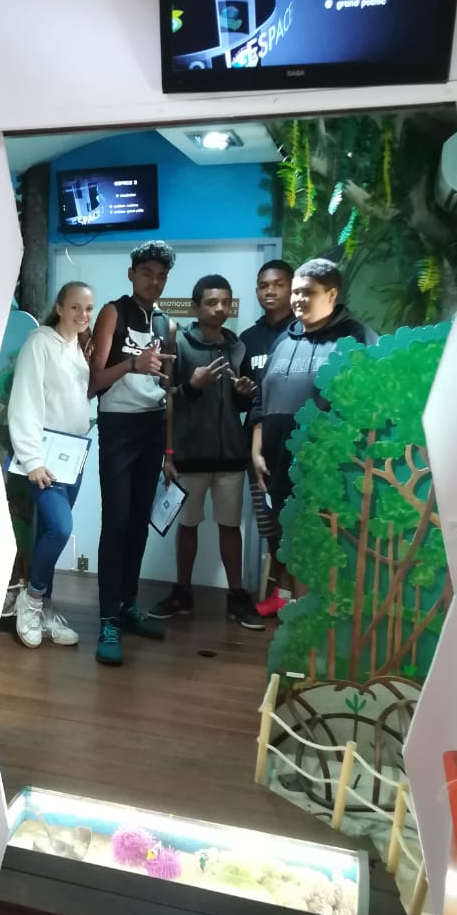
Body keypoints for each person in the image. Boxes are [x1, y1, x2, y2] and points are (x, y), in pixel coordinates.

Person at [148, 276, 264, 630]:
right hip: (189, 455)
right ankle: (182, 592)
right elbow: (163, 399)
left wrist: (244, 393)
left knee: (230, 527)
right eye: (212, 302)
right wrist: (192, 386)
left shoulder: (237, 347)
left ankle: (236, 596)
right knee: (188, 526)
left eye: (225, 302)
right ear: (196, 306)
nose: (219, 309)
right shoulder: (179, 344)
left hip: (231, 457)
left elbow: (241, 404)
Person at [88, 241, 177, 667]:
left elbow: (168, 391)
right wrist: (132, 365)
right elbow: (94, 382)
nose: (153, 282)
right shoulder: (113, 312)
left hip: (152, 428)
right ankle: (107, 620)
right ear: (131, 274)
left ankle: (127, 605)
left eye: (161, 276)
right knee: (117, 523)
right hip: (118, 428)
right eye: (147, 273)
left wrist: (170, 449)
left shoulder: (166, 323)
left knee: (139, 522)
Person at [251, 253, 377, 525]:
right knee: (280, 540)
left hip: (331, 474)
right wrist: (256, 451)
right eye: (296, 292)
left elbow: (372, 403)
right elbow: (261, 400)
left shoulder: (356, 338)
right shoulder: (283, 341)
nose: (298, 299)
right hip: (276, 469)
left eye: (308, 292)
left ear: (331, 295)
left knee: (324, 543)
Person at [8, 281, 95, 649]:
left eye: (88, 309)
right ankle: (30, 602)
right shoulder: (39, 343)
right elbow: (24, 401)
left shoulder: (78, 349)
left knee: (49, 532)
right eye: (75, 307)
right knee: (60, 528)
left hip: (73, 458)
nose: (82, 315)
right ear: (59, 308)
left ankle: (44, 609)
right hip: (44, 458)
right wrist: (32, 459)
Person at [239, 260, 294, 616]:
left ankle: (296, 596)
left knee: (298, 522)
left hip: (299, 445)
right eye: (263, 285)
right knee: (270, 526)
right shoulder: (248, 339)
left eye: (278, 284)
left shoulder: (304, 332)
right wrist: (242, 392)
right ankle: (281, 594)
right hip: (258, 447)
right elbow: (245, 401)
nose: (270, 291)